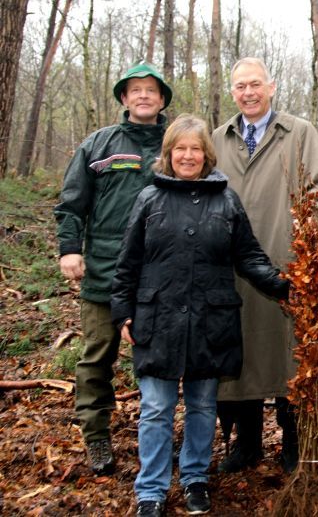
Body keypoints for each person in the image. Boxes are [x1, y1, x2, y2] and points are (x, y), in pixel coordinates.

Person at [110, 114, 290, 517]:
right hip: (158, 320)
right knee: (155, 408)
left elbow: (248, 255)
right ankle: (151, 490)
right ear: (169, 154)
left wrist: (285, 285)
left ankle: (194, 479)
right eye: (180, 149)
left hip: (211, 321)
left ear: (206, 155)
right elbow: (128, 263)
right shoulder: (149, 199)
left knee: (203, 406)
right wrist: (122, 312)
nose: (187, 156)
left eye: (195, 149)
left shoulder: (225, 200)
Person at [212, 57, 318, 474]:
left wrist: (307, 259)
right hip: (230, 274)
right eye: (240, 85)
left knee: (289, 356)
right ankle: (246, 444)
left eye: (255, 84)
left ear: (272, 86)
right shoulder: (217, 139)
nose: (248, 92)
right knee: (239, 356)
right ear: (232, 92)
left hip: (286, 266)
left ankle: (294, 442)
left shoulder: (299, 132)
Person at [54, 62, 171, 476]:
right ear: (124, 98)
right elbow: (71, 203)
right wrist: (70, 249)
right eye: (135, 90)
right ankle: (96, 434)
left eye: (151, 90)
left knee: (161, 358)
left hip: (160, 276)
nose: (143, 96)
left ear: (161, 99)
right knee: (98, 355)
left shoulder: (178, 145)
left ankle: (157, 437)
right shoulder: (99, 144)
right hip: (104, 269)